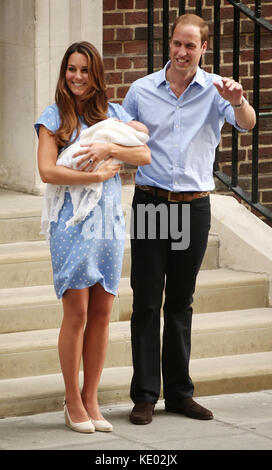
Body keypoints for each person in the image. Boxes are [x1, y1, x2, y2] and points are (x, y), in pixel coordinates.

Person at [122, 14, 256, 425]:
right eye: (177, 44)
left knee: (180, 301)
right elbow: (123, 139)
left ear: (203, 49)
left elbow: (247, 124)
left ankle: (179, 393)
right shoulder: (141, 90)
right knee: (147, 300)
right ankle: (144, 395)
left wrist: (238, 100)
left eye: (191, 46)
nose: (182, 52)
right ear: (170, 44)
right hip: (150, 202)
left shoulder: (217, 91)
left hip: (193, 206)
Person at [35, 41, 151, 433]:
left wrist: (107, 146)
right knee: (78, 312)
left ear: (96, 75)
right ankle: (71, 401)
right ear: (64, 73)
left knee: (102, 313)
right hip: (70, 222)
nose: (78, 77)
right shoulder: (54, 118)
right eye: (72, 69)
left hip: (107, 222)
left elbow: (145, 155)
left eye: (85, 70)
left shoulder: (114, 115)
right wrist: (95, 174)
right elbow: (48, 172)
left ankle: (91, 398)